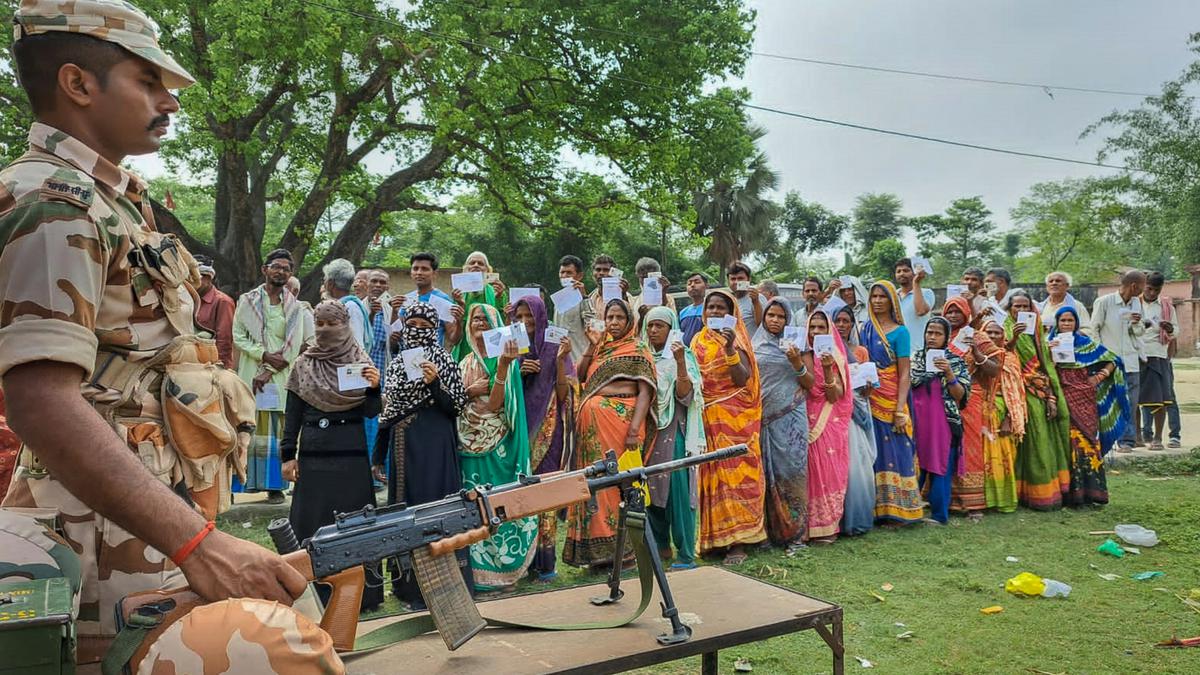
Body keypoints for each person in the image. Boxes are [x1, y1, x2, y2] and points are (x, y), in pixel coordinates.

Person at [0, 2, 305, 663]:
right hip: (102, 549)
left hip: (146, 527)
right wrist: (203, 545)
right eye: (147, 81)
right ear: (79, 85)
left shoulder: (112, 201)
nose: (169, 99)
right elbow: (43, 400)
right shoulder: (55, 202)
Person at [279, 301, 383, 611]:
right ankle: (310, 595)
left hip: (350, 459)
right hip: (313, 459)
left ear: (346, 325)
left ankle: (362, 597)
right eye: (319, 324)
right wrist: (288, 455)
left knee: (355, 527)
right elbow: (292, 413)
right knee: (311, 527)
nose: (325, 330)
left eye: (331, 323)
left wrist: (374, 388)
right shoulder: (303, 364)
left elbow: (370, 412)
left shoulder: (360, 361)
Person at [373, 301, 472, 607]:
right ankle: (409, 588)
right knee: (408, 512)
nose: (417, 331)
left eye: (425, 326)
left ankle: (446, 586)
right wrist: (378, 454)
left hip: (436, 447)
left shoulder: (444, 358)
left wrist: (434, 384)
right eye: (411, 324)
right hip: (404, 447)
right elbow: (389, 411)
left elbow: (456, 405)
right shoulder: (398, 362)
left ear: (435, 328)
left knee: (437, 509)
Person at [566, 299, 656, 568]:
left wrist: (633, 429)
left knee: (618, 486)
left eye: (619, 317)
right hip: (591, 432)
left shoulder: (638, 348)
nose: (614, 323)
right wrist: (592, 346)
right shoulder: (601, 347)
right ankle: (594, 554)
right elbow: (579, 377)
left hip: (621, 427)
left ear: (629, 320)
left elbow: (645, 392)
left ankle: (625, 553)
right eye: (610, 317)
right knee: (593, 486)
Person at [457, 303, 535, 589]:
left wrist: (501, 367)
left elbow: (493, 404)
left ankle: (504, 571)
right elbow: (456, 402)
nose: (479, 323)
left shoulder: (506, 360)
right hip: (466, 445)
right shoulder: (464, 362)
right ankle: (478, 576)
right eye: (475, 319)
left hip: (496, 445)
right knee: (473, 508)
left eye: (485, 319)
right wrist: (468, 392)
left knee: (497, 506)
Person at [692, 289, 767, 565]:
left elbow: (742, 378)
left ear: (731, 313)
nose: (714, 312)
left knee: (736, 476)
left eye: (720, 308)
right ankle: (714, 539)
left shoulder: (738, 341)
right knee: (711, 476)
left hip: (736, 418)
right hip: (707, 417)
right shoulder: (697, 341)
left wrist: (729, 349)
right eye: (710, 307)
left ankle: (739, 541)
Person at [233, 249, 308, 503]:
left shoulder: (295, 307)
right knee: (246, 426)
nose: (281, 272)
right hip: (250, 373)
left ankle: (275, 486)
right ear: (265, 269)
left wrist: (269, 370)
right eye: (276, 266)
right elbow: (238, 336)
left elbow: (294, 344)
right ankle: (242, 482)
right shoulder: (247, 300)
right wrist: (263, 355)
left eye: (286, 269)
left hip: (279, 377)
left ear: (291, 274)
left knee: (278, 429)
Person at [510, 296, 576, 582]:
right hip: (516, 431)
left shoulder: (554, 346)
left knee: (546, 493)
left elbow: (564, 395)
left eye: (530, 317)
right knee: (521, 495)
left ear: (541, 316)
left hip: (549, 432)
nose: (525, 323)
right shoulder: (511, 347)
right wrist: (517, 371)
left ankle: (546, 563)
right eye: (520, 317)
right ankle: (521, 561)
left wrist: (560, 361)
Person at [642, 306, 706, 569]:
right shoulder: (642, 356)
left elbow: (686, 396)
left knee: (678, 492)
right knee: (651, 493)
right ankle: (660, 547)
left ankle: (686, 553)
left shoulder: (684, 355)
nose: (654, 330)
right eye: (650, 326)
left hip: (674, 432)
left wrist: (679, 362)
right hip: (648, 434)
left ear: (671, 330)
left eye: (660, 326)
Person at [1049, 307, 1130, 506]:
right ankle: (1069, 495)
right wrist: (1051, 352)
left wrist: (1098, 377)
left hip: (1085, 397)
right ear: (1057, 323)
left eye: (1070, 321)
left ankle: (1092, 493)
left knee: (1087, 442)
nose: (1066, 324)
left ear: (1076, 323)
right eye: (1063, 321)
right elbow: (1043, 369)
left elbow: (1114, 360)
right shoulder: (1049, 343)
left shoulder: (1086, 344)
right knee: (1066, 443)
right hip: (1061, 396)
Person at [752, 298, 814, 550]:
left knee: (791, 473)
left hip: (790, 417)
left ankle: (795, 535)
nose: (775, 320)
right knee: (764, 476)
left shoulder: (799, 345)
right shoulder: (754, 344)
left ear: (788, 320)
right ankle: (766, 534)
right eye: (771, 316)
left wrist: (796, 361)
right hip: (762, 418)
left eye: (780, 316)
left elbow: (810, 383)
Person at [860, 281, 922, 526]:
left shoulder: (900, 332)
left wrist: (899, 409)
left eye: (882, 297)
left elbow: (904, 373)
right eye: (873, 296)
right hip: (869, 397)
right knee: (874, 453)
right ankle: (875, 509)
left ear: (891, 301)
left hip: (893, 398)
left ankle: (901, 510)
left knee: (898, 450)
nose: (876, 301)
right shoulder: (865, 329)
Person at [1005, 291, 1072, 510]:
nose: (1022, 311)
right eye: (1017, 307)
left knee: (1042, 437)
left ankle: (1043, 493)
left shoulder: (1037, 332)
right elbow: (1001, 354)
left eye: (1026, 307)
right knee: (1029, 436)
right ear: (1010, 309)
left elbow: (1045, 366)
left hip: (1039, 389)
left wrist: (1050, 396)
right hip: (1013, 390)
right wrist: (1014, 338)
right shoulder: (1003, 327)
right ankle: (1021, 493)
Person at [910, 317, 970, 525]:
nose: (932, 337)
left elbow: (960, 395)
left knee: (940, 463)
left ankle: (938, 514)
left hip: (942, 422)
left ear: (946, 337)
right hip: (916, 419)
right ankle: (908, 510)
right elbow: (909, 382)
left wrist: (949, 373)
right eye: (929, 332)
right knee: (913, 463)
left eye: (938, 333)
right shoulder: (915, 358)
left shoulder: (955, 361)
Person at [943, 297, 999, 519]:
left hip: (970, 398)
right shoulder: (939, 335)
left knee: (969, 446)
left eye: (958, 311)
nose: (954, 315)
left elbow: (994, 369)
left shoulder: (978, 336)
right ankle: (943, 499)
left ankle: (972, 502)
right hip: (943, 397)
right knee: (944, 445)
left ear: (967, 313)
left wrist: (976, 352)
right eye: (950, 311)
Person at [803, 309, 852, 543]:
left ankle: (828, 527)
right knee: (810, 471)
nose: (815, 332)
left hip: (829, 419)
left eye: (821, 328)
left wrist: (827, 368)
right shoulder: (803, 354)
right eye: (812, 328)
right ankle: (808, 527)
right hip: (805, 418)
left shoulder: (837, 358)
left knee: (829, 470)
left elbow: (836, 396)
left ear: (829, 330)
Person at [831, 305, 877, 536]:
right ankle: (835, 520)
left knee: (858, 465)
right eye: (837, 320)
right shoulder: (826, 350)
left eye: (845, 321)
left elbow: (865, 388)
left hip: (856, 412)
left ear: (851, 324)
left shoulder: (860, 352)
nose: (841, 325)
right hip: (833, 412)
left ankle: (857, 518)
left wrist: (868, 390)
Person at [1091, 270, 1147, 451]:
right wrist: (1101, 355)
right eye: (1143, 286)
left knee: (1130, 401)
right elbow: (1094, 329)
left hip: (1130, 359)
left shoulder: (1137, 303)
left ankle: (1127, 441)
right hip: (1110, 361)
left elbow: (1139, 332)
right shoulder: (1104, 302)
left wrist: (1137, 323)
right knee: (1109, 400)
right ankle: (1107, 439)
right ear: (1134, 286)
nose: (1143, 290)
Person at [980, 319, 1025, 513]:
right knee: (980, 459)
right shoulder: (974, 357)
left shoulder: (1011, 359)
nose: (991, 336)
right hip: (978, 414)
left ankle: (1003, 500)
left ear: (1003, 336)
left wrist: (1009, 419)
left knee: (1002, 458)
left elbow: (1016, 393)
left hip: (1001, 415)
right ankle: (981, 500)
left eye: (996, 333)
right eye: (988, 333)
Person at [1139, 272, 1179, 450]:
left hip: (1158, 354)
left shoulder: (1167, 306)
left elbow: (1175, 330)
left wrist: (1170, 329)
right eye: (1149, 288)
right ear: (1143, 285)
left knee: (1161, 398)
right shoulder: (1133, 303)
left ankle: (1158, 437)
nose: (1152, 293)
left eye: (1157, 290)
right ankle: (1138, 436)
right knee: (1135, 398)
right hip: (1136, 353)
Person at [394, 252, 461, 348]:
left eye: (424, 269)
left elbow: (453, 339)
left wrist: (459, 321)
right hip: (406, 357)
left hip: (432, 358)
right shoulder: (407, 299)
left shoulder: (443, 300)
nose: (419, 272)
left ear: (434, 273)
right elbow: (397, 332)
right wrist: (393, 311)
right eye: (415, 269)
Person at [451, 251, 507, 361]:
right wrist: (460, 304)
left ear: (487, 270)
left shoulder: (496, 291)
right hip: (466, 347)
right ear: (466, 269)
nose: (476, 265)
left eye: (480, 263)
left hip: (490, 348)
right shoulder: (459, 293)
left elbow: (503, 324)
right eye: (472, 263)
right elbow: (454, 331)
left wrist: (499, 298)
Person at [553, 254, 596, 365]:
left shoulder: (584, 299)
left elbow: (593, 326)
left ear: (579, 276)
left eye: (569, 273)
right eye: (562, 272)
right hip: (561, 360)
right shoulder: (558, 300)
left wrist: (584, 297)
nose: (564, 276)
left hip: (579, 359)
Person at [194, 260, 236, 369]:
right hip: (191, 364)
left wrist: (220, 368)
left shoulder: (223, 302)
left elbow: (225, 340)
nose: (190, 282)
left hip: (213, 366)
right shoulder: (188, 299)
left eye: (194, 277)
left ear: (208, 278)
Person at [323, 258, 372, 351]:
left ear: (330, 283)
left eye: (325, 279)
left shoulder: (350, 307)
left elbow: (356, 345)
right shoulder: (340, 305)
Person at [894, 258, 934, 342]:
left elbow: (921, 311)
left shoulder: (927, 293)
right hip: (897, 349)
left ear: (914, 272)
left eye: (906, 270)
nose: (901, 274)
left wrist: (916, 282)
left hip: (917, 349)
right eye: (898, 271)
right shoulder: (893, 295)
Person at [586, 254, 630, 319]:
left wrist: (623, 295)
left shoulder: (627, 296)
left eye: (606, 270)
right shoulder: (590, 298)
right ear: (593, 273)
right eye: (598, 270)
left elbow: (630, 320)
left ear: (613, 273)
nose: (601, 273)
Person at [726, 261, 763, 333]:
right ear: (728, 281)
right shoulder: (727, 300)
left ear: (748, 280)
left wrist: (756, 302)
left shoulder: (758, 298)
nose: (736, 282)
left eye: (740, 278)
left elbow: (762, 326)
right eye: (733, 279)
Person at [679, 271, 709, 345]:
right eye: (689, 283)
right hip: (686, 354)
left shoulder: (711, 309)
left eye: (697, 282)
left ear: (707, 285)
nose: (692, 285)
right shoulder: (683, 312)